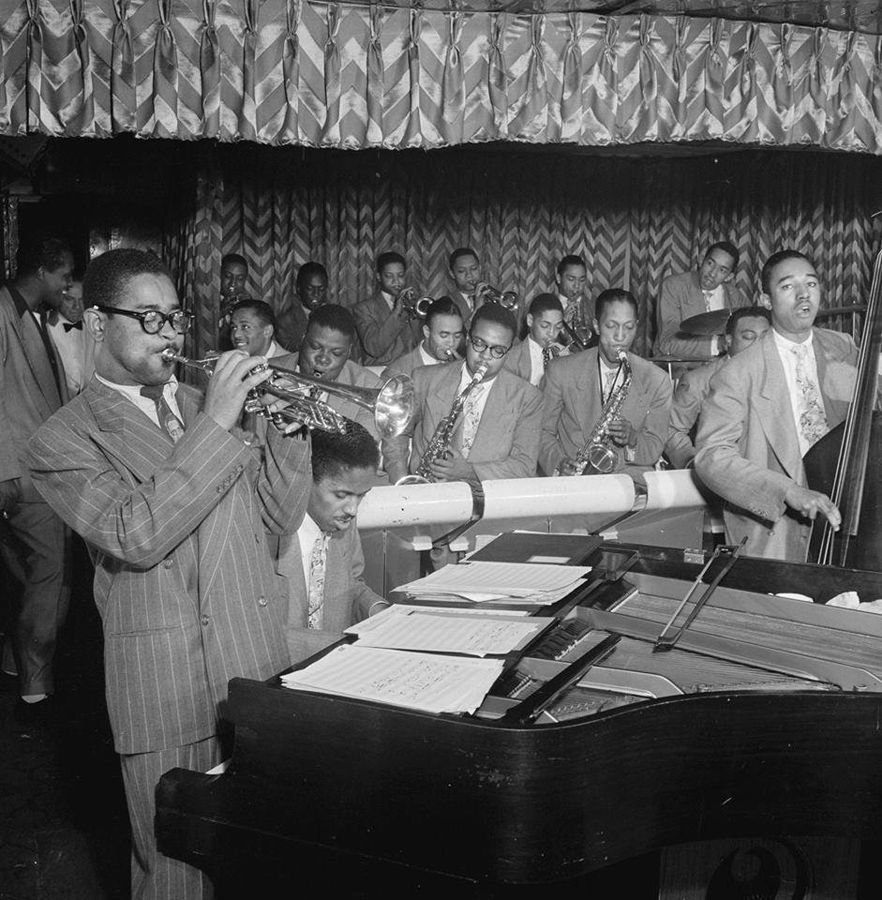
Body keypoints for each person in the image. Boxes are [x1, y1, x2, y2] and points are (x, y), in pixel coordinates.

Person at [26, 248, 312, 899]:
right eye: (150, 319)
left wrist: (292, 433)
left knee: (260, 867)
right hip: (166, 684)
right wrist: (216, 423)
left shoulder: (199, 399)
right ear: (98, 323)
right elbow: (136, 531)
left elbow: (274, 520)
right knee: (177, 876)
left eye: (177, 319)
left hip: (254, 667)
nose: (172, 335)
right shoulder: (62, 439)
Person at [694, 250, 857, 561]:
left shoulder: (844, 347)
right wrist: (787, 491)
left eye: (811, 283)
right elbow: (711, 456)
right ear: (766, 300)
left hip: (845, 521)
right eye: (787, 286)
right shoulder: (738, 372)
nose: (803, 294)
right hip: (776, 531)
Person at [0, 237, 74, 718]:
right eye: (64, 276)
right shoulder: (4, 313)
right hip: (20, 474)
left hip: (30, 472)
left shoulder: (25, 314)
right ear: (44, 272)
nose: (68, 286)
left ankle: (15, 666)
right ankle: (35, 681)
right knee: (49, 575)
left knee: (27, 576)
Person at [384, 304, 542, 485]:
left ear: (508, 352)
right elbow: (395, 431)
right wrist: (400, 480)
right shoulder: (424, 378)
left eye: (497, 350)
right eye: (479, 343)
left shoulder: (528, 398)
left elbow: (524, 466)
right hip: (427, 493)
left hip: (488, 502)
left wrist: (469, 471)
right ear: (467, 339)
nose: (485, 356)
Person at [278, 422, 387, 663]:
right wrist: (343, 647)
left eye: (361, 496)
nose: (352, 509)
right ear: (305, 476)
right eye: (341, 495)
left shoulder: (341, 521)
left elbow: (350, 585)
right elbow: (261, 631)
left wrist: (379, 611)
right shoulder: (269, 533)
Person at [539, 288, 672, 478]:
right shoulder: (560, 371)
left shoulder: (657, 380)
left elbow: (654, 447)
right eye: (612, 326)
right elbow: (542, 432)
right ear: (596, 326)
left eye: (629, 327)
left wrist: (633, 439)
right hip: (574, 481)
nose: (620, 336)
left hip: (628, 482)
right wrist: (559, 463)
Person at [665, 306, 771, 469]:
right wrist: (692, 462)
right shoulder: (698, 380)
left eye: (764, 337)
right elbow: (671, 429)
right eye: (749, 337)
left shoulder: (777, 375)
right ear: (728, 341)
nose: (758, 345)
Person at [274, 304, 383, 442]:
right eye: (315, 347)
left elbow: (362, 452)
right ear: (303, 338)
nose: (323, 359)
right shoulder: (269, 371)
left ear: (349, 352)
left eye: (336, 353)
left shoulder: (369, 386)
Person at [655, 241, 747, 360]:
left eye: (722, 270)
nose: (712, 273)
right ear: (701, 260)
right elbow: (667, 343)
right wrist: (716, 345)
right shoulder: (674, 286)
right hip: (680, 368)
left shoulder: (736, 297)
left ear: (729, 276)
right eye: (710, 263)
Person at [353, 252, 422, 367]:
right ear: (379, 277)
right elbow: (374, 348)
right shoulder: (363, 309)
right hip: (380, 373)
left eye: (400, 275)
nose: (396, 281)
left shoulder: (413, 304)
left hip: (413, 370)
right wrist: (396, 312)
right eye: (389, 276)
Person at [381, 297, 464, 379]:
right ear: (427, 331)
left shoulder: (461, 368)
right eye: (444, 336)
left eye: (457, 336)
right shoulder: (397, 373)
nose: (451, 343)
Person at [503, 293, 567, 386]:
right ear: (530, 320)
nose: (552, 333)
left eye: (558, 327)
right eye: (545, 326)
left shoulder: (562, 354)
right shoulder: (512, 359)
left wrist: (569, 363)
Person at [275, 261, 329, 352]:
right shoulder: (284, 323)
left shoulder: (334, 316)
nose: (316, 294)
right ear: (299, 289)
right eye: (310, 289)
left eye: (321, 289)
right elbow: (290, 355)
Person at [47, 277, 87, 394]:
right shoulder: (45, 326)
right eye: (70, 299)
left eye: (81, 300)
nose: (77, 306)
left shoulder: (94, 326)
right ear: (59, 298)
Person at [555, 256, 594, 350]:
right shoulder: (546, 307)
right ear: (558, 278)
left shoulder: (593, 307)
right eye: (571, 279)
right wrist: (561, 325)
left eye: (582, 280)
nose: (577, 286)